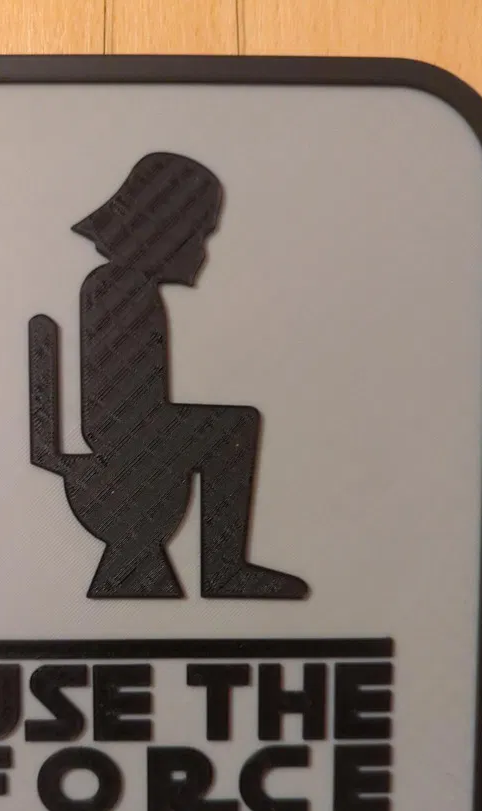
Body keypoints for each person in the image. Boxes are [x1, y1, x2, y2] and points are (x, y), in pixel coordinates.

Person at [29, 151, 308, 600]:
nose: (203, 251)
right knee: (234, 427)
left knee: (230, 424)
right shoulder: (120, 288)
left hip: (130, 435)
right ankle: (223, 571)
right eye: (200, 235)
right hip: (126, 440)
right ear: (164, 231)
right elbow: (120, 397)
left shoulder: (121, 287)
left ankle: (222, 571)